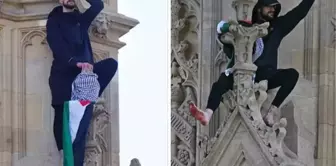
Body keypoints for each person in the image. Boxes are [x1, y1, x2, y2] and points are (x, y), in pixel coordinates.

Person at [190, 0, 315, 126]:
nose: (273, 10)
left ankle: (272, 112)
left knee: (291, 75)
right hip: (245, 73)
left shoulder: (277, 26)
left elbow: (299, 12)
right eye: (269, 7)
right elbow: (230, 50)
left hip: (267, 75)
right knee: (221, 81)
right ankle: (207, 114)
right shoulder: (244, 28)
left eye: (275, 8)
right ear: (259, 8)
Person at [46, 0, 118, 165]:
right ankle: (65, 155)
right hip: (64, 77)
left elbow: (98, 5)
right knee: (65, 122)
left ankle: (91, 96)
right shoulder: (54, 20)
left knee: (111, 65)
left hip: (84, 82)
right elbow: (56, 46)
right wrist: (75, 62)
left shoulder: (80, 20)